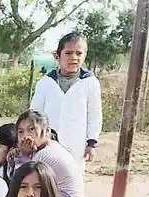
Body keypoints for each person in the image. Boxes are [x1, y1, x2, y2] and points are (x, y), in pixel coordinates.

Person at [30, 32, 102, 166]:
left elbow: (94, 114)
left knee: (72, 180)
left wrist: (91, 143)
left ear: (85, 55)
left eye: (79, 53)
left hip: (76, 145)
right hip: (47, 144)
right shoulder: (46, 83)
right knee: (46, 179)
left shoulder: (90, 82)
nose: (73, 58)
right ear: (57, 56)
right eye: (68, 53)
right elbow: (34, 114)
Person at [16, 109, 85, 197]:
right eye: (20, 132)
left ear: (47, 131)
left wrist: (23, 156)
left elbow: (20, 183)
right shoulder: (49, 147)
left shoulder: (45, 155)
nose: (25, 136)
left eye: (31, 129)